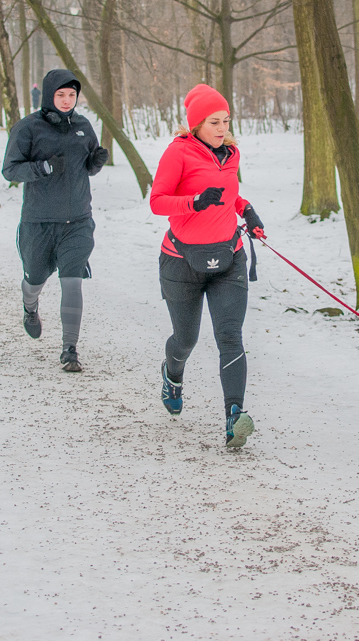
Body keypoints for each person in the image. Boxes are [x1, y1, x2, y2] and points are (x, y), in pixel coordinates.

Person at [149, 84, 265, 449]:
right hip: (182, 261)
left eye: (226, 120)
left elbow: (228, 192)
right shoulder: (178, 153)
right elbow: (158, 202)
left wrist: (245, 209)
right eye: (214, 121)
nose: (221, 128)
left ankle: (235, 417)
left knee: (230, 337)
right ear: (196, 124)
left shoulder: (231, 154)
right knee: (186, 339)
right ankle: (173, 374)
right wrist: (194, 202)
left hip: (228, 257)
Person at [2, 68, 109, 373]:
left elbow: (84, 167)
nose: (66, 100)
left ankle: (70, 349)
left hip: (77, 220)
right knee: (35, 278)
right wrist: (44, 168)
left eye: (71, 95)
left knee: (72, 280)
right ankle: (30, 306)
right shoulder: (28, 128)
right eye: (60, 95)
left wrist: (94, 163)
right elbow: (11, 171)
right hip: (39, 222)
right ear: (50, 95)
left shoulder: (83, 126)